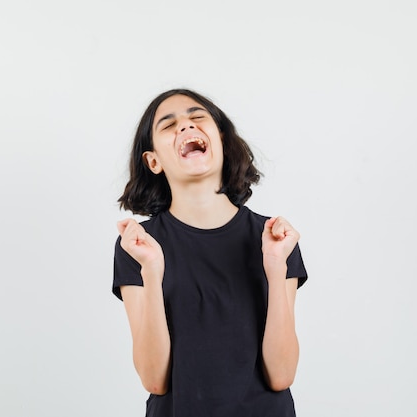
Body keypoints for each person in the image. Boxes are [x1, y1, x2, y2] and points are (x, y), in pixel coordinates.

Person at [112, 88, 308, 417]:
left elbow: (282, 375)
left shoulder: (275, 239)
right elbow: (154, 379)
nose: (186, 127)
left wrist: (275, 270)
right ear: (153, 161)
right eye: (169, 125)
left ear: (220, 140)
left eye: (197, 117)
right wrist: (151, 270)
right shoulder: (139, 246)